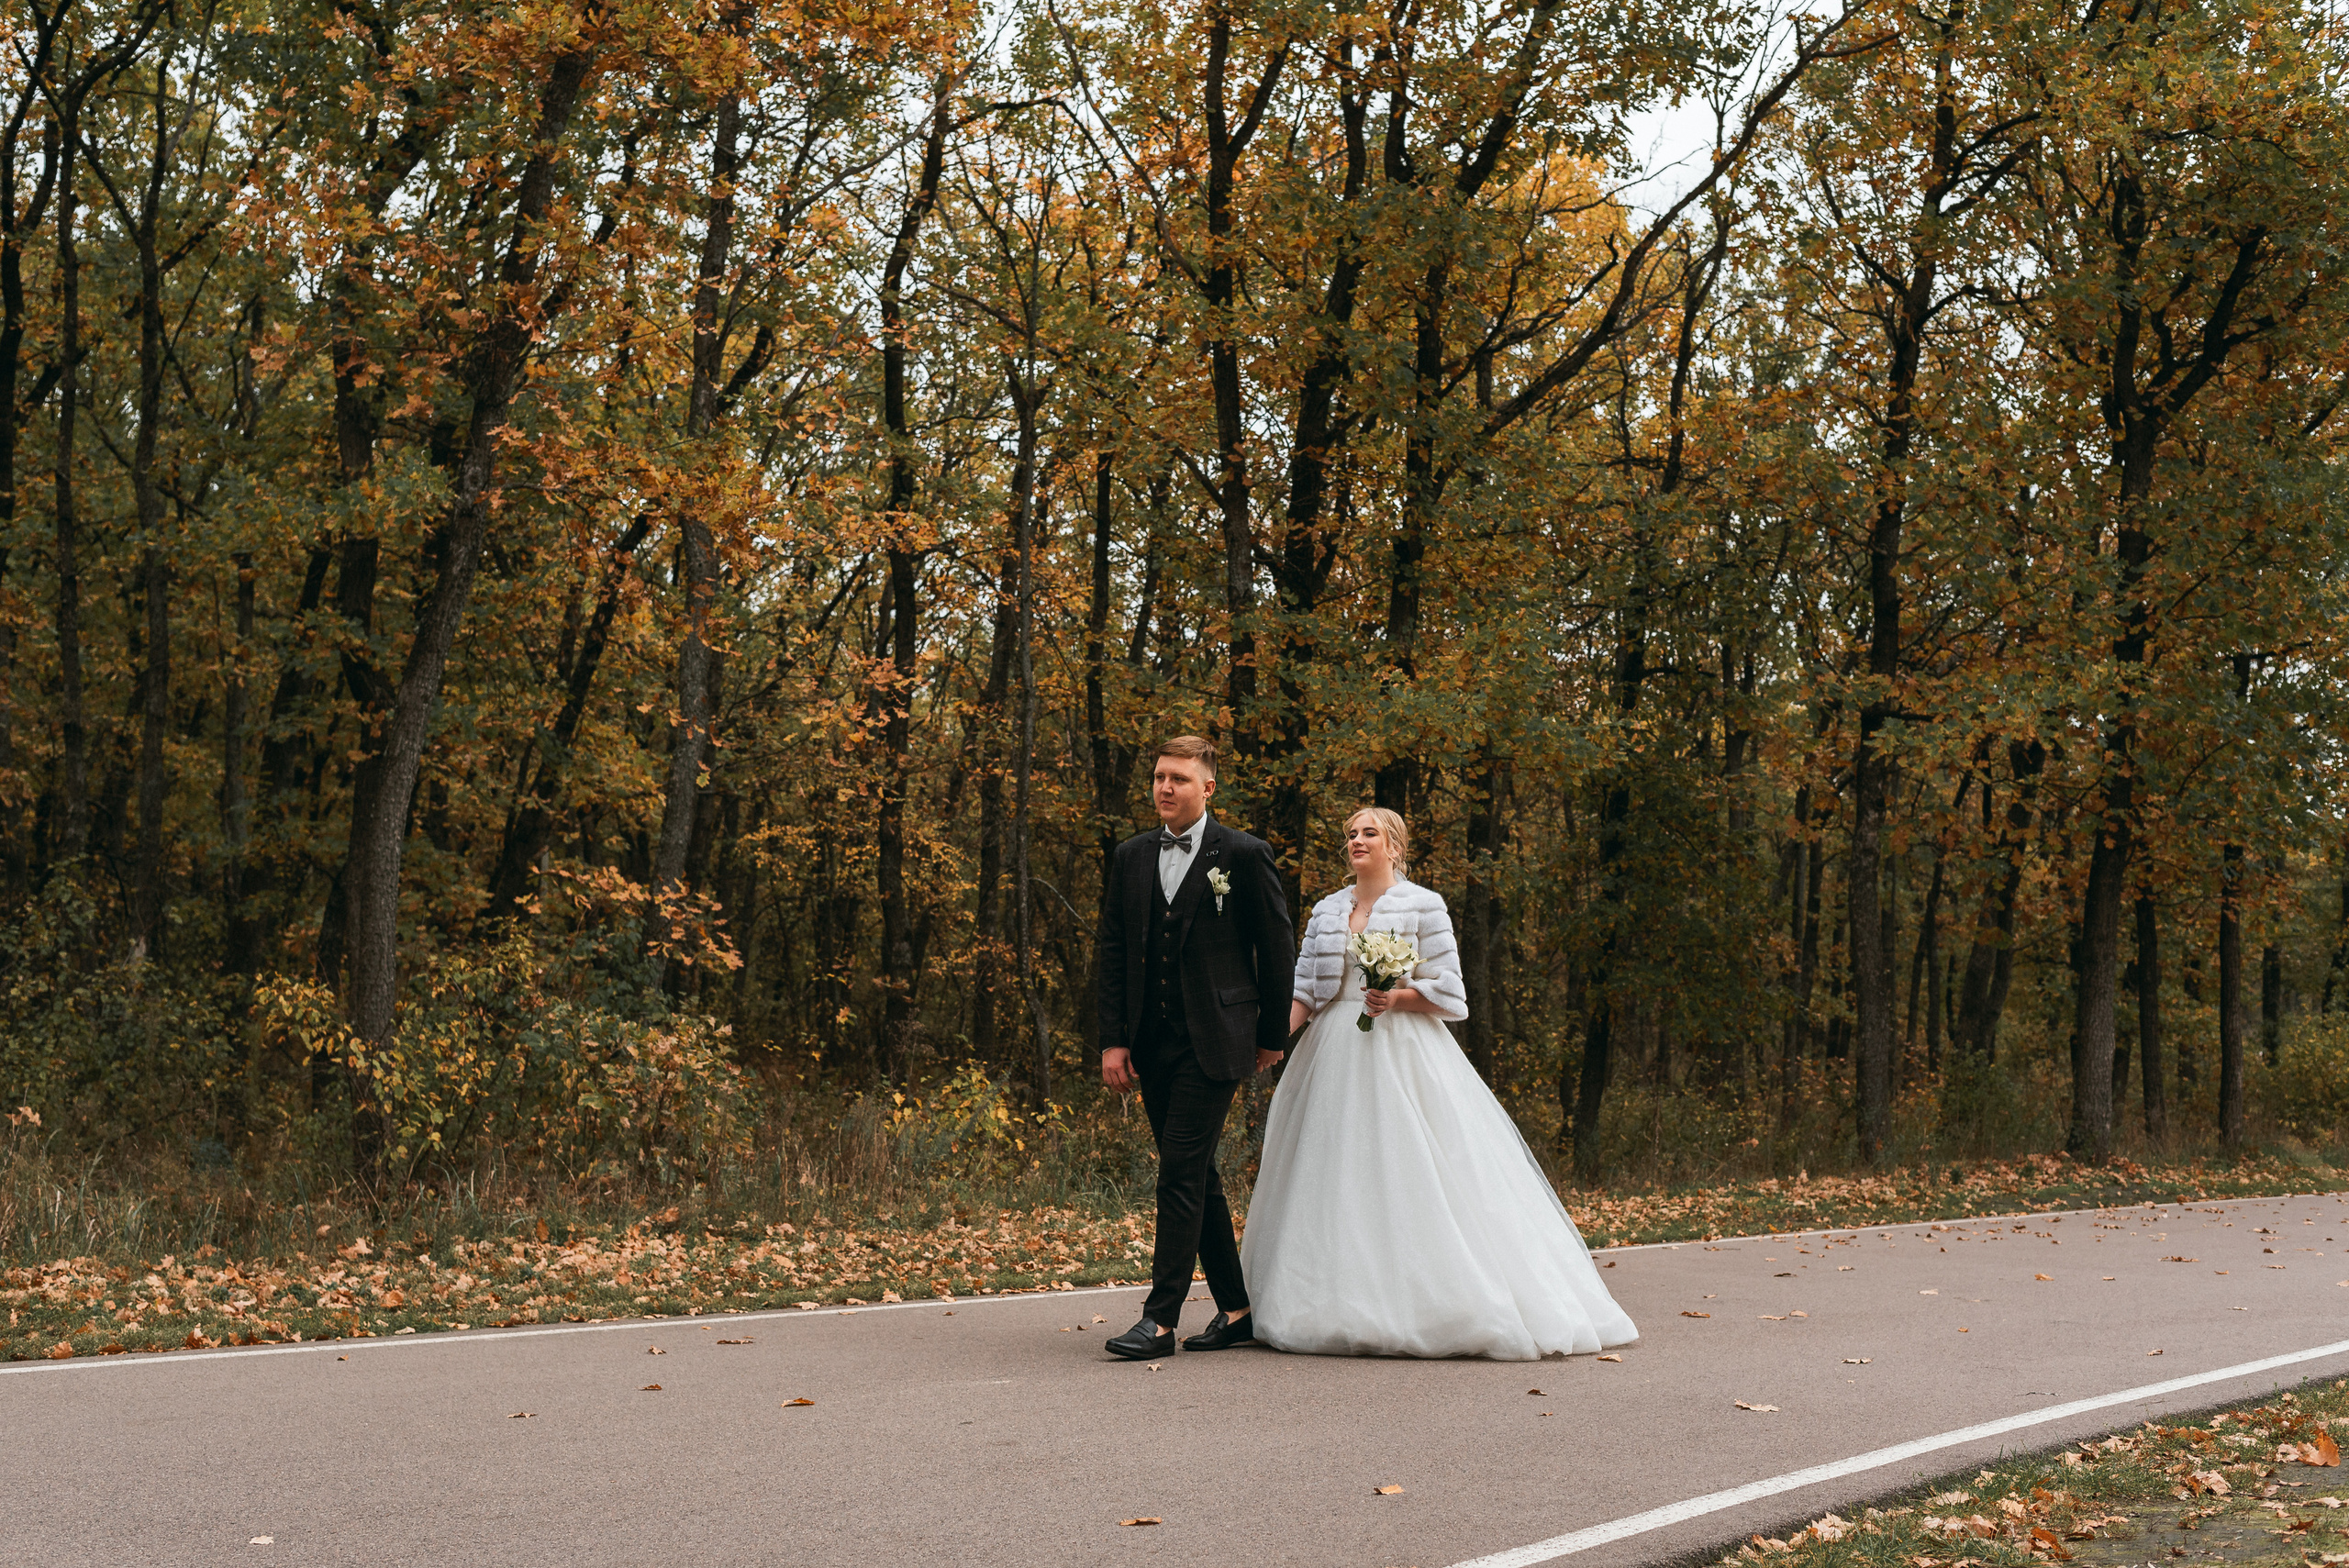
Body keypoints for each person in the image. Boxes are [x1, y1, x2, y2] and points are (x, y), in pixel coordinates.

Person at [1241, 806, 1638, 1360]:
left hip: (1403, 1049)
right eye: (1351, 834)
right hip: (1332, 1054)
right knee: (1333, 1172)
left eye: (1369, 833)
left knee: (1408, 1169)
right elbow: (1306, 990)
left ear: (1394, 845)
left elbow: (1451, 996)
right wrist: (1269, 1042)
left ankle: (1435, 1301)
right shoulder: (1328, 910)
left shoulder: (1424, 905)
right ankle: (1332, 1299)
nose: (1357, 840)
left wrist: (1396, 997)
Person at [1095, 736, 1296, 1359]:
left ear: (1207, 787)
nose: (1164, 787)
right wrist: (1113, 1040)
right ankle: (1236, 1309)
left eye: (1179, 777)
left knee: (1178, 1170)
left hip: (1218, 1040)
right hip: (1151, 1044)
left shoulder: (1242, 853)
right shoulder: (1129, 856)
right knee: (1198, 1173)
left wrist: (1270, 1037)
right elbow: (1112, 951)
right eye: (1158, 776)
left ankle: (1159, 1320)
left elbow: (1277, 947)